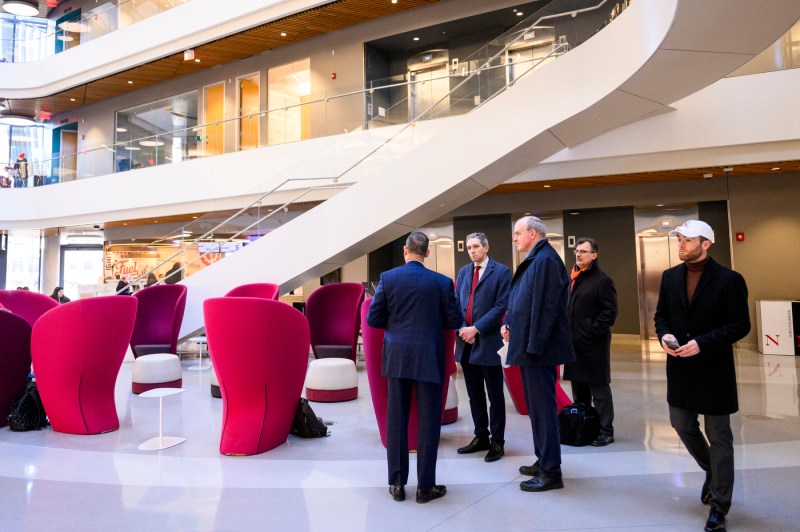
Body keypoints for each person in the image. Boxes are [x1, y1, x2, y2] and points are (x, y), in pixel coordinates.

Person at [654, 220, 750, 532]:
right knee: (680, 423)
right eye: (679, 239)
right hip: (680, 368)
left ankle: (719, 507)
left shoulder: (730, 280)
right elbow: (661, 316)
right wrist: (666, 336)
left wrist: (702, 343)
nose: (680, 245)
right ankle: (713, 470)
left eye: (687, 240)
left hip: (714, 370)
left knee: (720, 437)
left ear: (706, 243)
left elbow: (739, 325)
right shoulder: (670, 277)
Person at [366, 231, 462, 504]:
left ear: (405, 251)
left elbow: (374, 318)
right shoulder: (442, 282)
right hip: (429, 356)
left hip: (397, 357)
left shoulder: (388, 278)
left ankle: (397, 484)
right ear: (427, 253)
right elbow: (454, 319)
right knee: (429, 422)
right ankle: (425, 488)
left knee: (396, 420)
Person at [502, 216, 575, 492]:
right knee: (537, 409)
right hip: (530, 347)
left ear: (533, 233)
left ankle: (550, 472)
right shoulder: (538, 258)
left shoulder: (544, 260)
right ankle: (543, 459)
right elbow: (526, 303)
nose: (515, 237)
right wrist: (512, 327)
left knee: (543, 411)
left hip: (537, 351)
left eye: (518, 232)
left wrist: (532, 346)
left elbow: (545, 310)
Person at [454, 232, 511, 462]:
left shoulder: (502, 272)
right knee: (474, 394)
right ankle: (481, 436)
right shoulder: (464, 271)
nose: (472, 251)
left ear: (486, 248)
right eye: (469, 248)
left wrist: (475, 328)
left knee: (495, 395)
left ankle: (497, 442)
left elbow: (500, 306)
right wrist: (462, 329)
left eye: (476, 246)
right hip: (466, 343)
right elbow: (457, 303)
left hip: (487, 342)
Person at [562, 237, 618, 446]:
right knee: (579, 388)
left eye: (583, 251)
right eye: (577, 251)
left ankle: (606, 430)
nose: (578, 254)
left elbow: (609, 312)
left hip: (593, 344)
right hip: (574, 343)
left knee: (599, 388)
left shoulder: (602, 280)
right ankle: (584, 424)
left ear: (594, 255)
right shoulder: (573, 278)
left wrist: (591, 331)